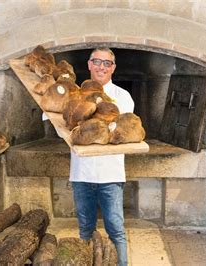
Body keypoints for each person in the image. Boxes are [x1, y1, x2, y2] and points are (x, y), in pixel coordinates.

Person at [70, 47, 133, 266]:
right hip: (81, 173)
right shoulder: (75, 96)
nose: (101, 67)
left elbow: (121, 132)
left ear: (113, 68)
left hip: (111, 174)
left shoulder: (122, 97)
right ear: (89, 65)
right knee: (85, 229)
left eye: (107, 63)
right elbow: (59, 121)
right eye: (97, 62)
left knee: (116, 230)